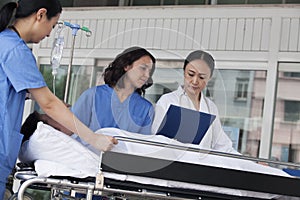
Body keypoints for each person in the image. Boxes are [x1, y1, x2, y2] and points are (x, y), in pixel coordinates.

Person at [0, 0, 117, 198]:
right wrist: (94, 139)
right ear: (40, 14)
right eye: (52, 26)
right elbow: (48, 103)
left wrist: (27, 94)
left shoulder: (4, 41)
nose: (49, 34)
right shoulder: (16, 50)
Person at [71, 46, 156, 154]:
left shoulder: (145, 108)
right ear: (126, 66)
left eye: (150, 71)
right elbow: (72, 128)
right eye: (143, 68)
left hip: (119, 164)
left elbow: (142, 146)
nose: (147, 75)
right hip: (85, 157)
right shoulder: (93, 95)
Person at [152, 50, 238, 154]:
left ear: (209, 78)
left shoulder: (211, 107)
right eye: (191, 74)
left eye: (202, 77)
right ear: (184, 72)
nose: (195, 81)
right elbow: (155, 139)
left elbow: (223, 146)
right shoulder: (168, 101)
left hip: (200, 167)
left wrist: (252, 163)